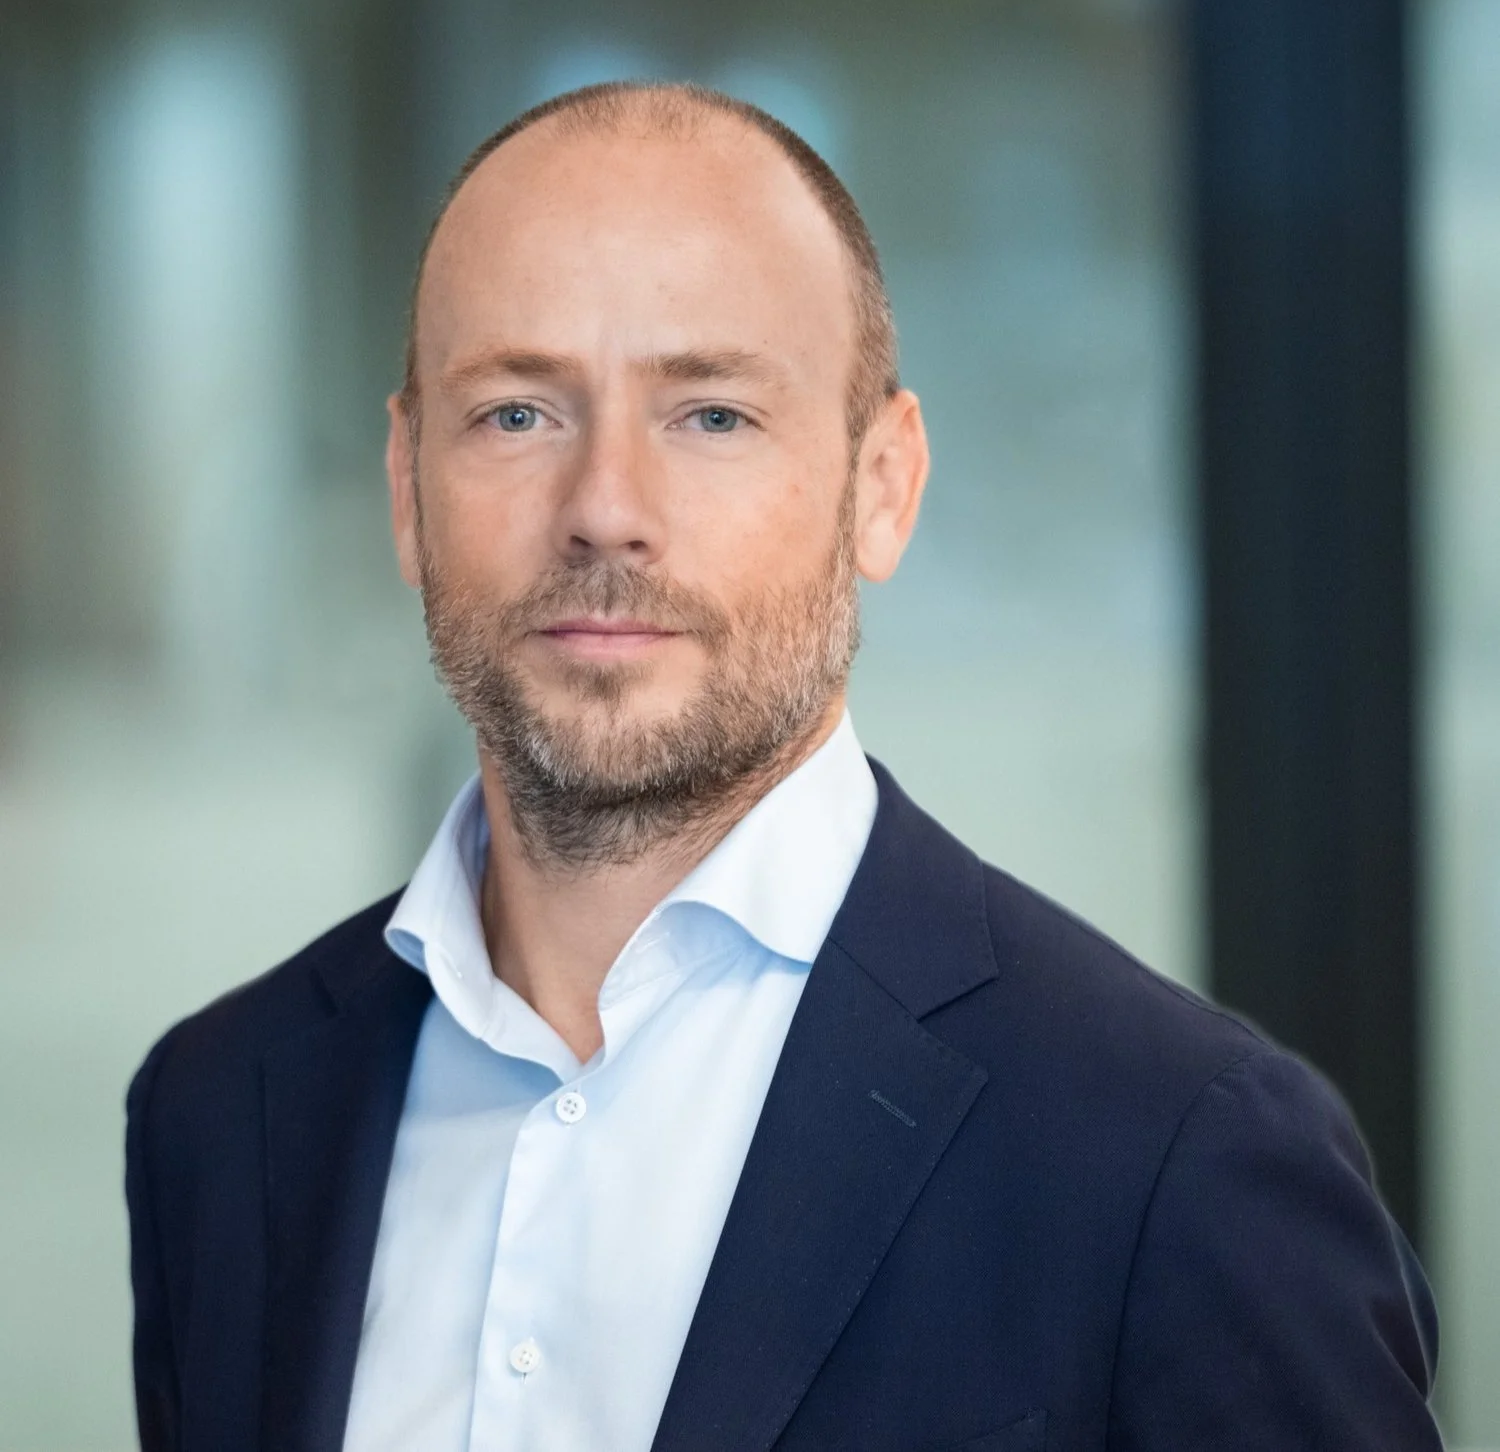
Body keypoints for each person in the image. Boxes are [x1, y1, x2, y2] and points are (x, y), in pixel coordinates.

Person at [124, 81, 1443, 1452]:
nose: (606, 511)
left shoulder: (1181, 1157)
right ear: (406, 489)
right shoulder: (219, 1116)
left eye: (711, 415)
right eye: (516, 414)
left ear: (883, 487)